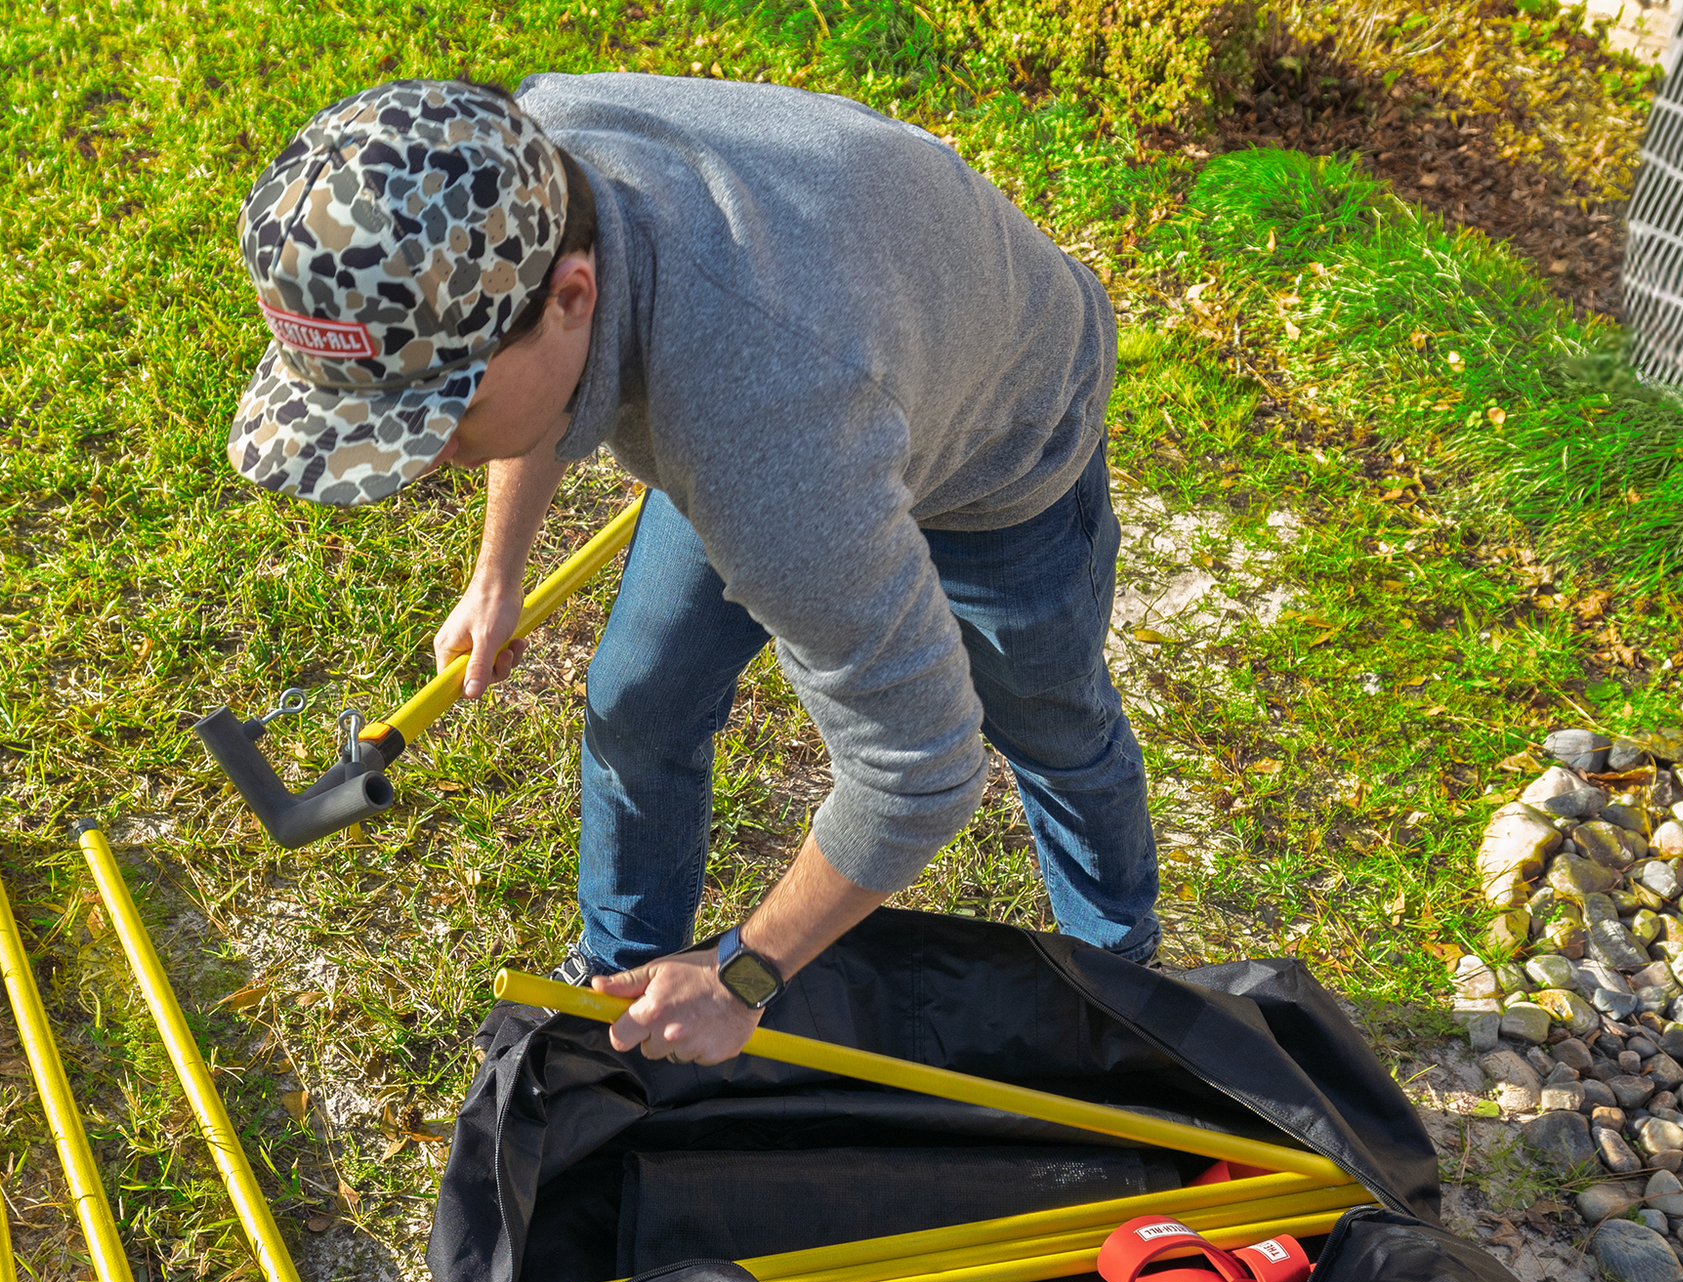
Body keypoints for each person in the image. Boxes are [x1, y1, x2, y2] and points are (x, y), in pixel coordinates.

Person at [227, 74, 1157, 1065]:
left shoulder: (764, 443)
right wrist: (496, 573)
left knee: (1048, 722)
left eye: (435, 414)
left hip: (1002, 436)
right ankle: (626, 982)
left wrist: (741, 975)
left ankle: (1124, 980)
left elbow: (919, 766)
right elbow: (522, 354)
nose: (414, 459)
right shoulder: (505, 164)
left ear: (575, 296)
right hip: (828, 345)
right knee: (639, 693)